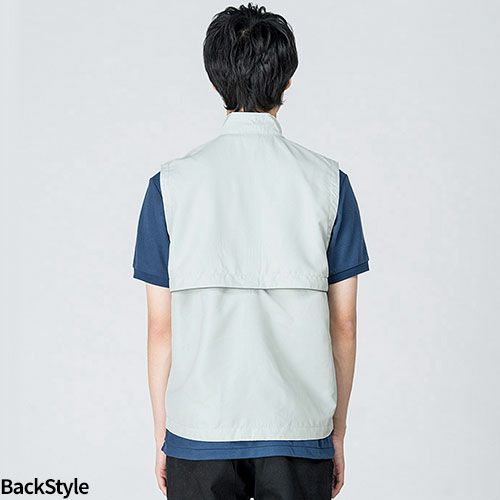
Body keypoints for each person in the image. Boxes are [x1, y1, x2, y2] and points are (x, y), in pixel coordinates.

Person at [133, 4, 369, 499]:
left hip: (199, 428)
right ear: (287, 81)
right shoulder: (330, 183)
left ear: (214, 81)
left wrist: (162, 437)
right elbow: (343, 325)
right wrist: (338, 433)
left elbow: (160, 329)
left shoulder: (169, 186)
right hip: (299, 427)